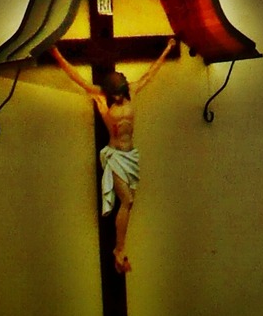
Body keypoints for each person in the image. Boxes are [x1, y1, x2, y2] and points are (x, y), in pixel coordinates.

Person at [51, 36, 176, 272]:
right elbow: (77, 79)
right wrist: (57, 55)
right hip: (116, 154)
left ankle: (120, 251)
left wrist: (168, 49)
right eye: (115, 94)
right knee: (126, 200)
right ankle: (119, 249)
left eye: (119, 93)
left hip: (130, 155)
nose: (118, 97)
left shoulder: (132, 91)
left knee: (130, 202)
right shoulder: (101, 97)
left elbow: (151, 73)